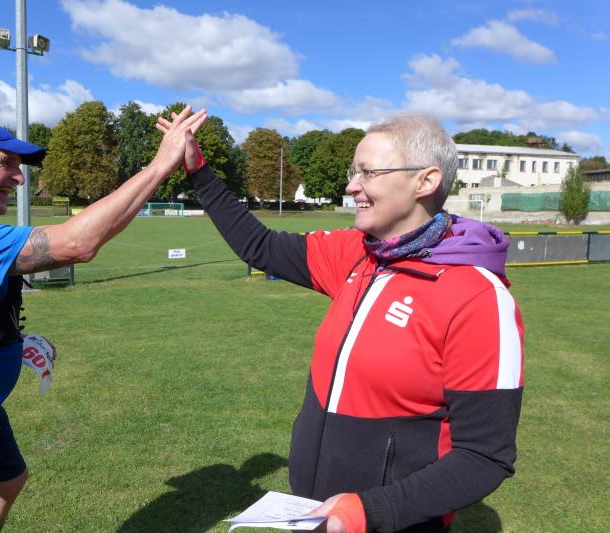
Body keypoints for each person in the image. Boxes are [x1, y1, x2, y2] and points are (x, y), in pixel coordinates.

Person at [164, 113, 524, 532]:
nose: (352, 186)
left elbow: (484, 456)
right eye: (354, 172)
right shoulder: (355, 252)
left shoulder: (478, 297)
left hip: (393, 522)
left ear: (425, 181)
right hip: (314, 512)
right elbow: (259, 246)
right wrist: (199, 170)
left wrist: (367, 512)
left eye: (369, 173)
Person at [0, 108, 206, 532]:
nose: (19, 178)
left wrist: (10, 340)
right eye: (7, 163)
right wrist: (160, 165)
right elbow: (78, 243)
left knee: (7, 481)